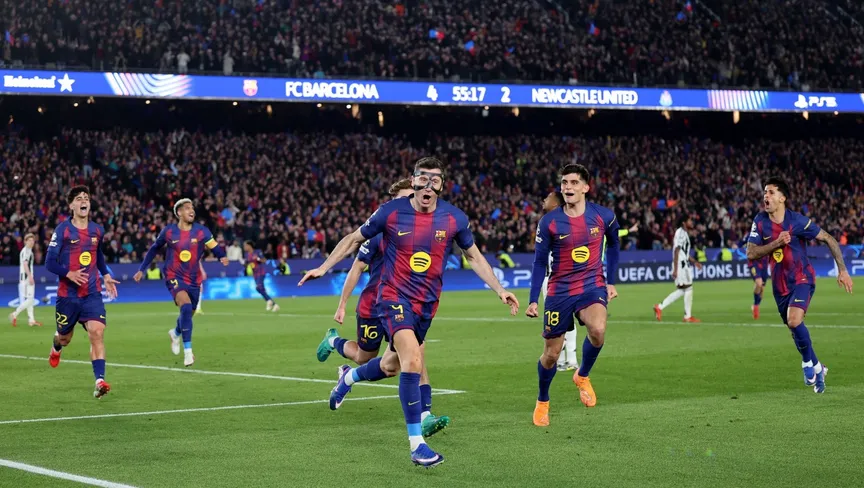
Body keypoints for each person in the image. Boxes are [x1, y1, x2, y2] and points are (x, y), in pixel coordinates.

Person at [299, 157, 519, 468]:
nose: (428, 185)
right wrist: (324, 267)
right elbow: (353, 240)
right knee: (413, 360)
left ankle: (349, 377)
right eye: (422, 178)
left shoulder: (454, 218)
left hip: (425, 305)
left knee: (390, 366)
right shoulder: (390, 212)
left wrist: (499, 289)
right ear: (413, 181)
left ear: (442, 185)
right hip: (392, 297)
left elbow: (474, 256)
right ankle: (417, 444)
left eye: (435, 180)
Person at [316, 179, 449, 437]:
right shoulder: (379, 232)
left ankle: (425, 415)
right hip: (374, 306)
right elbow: (357, 267)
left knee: (414, 356)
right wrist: (342, 304)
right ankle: (336, 347)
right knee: (366, 358)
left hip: (405, 305)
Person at [527, 164, 620, 425]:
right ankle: (543, 401)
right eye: (564, 182)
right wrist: (533, 299)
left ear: (586, 187)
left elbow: (614, 244)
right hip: (560, 291)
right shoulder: (549, 222)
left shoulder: (603, 216)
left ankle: (582, 374)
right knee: (551, 355)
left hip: (591, 284)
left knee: (598, 330)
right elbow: (539, 262)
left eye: (574, 182)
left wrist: (611, 282)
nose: (568, 187)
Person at [746, 177, 853, 394]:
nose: (766, 196)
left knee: (794, 320)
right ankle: (818, 367)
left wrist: (842, 269)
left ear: (782, 198)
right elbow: (751, 252)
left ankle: (806, 365)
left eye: (771, 192)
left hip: (802, 278)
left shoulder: (797, 221)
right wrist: (777, 243)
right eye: (765, 192)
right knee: (794, 330)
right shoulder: (760, 221)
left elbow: (829, 238)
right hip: (780, 286)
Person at [133, 198, 228, 367]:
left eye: (192, 208)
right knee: (185, 306)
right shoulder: (169, 232)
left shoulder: (201, 231)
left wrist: (222, 256)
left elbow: (214, 246)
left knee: (188, 313)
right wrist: (142, 269)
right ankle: (188, 352)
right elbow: (154, 248)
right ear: (179, 213)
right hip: (174, 276)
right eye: (187, 208)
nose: (192, 211)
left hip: (194, 279)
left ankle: (175, 333)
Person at [45, 186, 120, 398]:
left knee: (97, 332)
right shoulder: (62, 230)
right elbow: (49, 262)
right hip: (68, 296)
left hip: (91, 293)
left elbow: (99, 256)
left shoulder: (97, 230)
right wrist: (68, 273)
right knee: (64, 338)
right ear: (71, 205)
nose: (83, 201)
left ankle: (99, 381)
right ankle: (56, 347)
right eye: (78, 198)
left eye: (86, 198)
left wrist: (105, 275)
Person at [538, 191, 578, 372]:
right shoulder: (545, 223)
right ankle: (560, 360)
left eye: (547, 198)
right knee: (554, 321)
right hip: (548, 280)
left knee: (568, 319)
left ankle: (572, 359)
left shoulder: (568, 223)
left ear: (555, 204)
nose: (543, 200)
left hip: (564, 279)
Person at [653, 215, 704, 322]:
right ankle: (687, 316)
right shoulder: (680, 233)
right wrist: (675, 269)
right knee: (688, 288)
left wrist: (695, 262)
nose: (691, 222)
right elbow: (677, 251)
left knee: (683, 289)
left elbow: (684, 253)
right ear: (684, 223)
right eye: (689, 220)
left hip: (683, 264)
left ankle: (660, 307)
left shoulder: (684, 233)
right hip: (681, 265)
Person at [10, 233, 41, 327]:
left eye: (33, 240)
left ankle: (31, 320)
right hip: (26, 278)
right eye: (29, 240)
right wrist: (30, 277)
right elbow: (25, 264)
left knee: (29, 299)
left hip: (25, 278)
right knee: (30, 299)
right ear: (25, 241)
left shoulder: (28, 251)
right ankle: (15, 313)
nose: (31, 242)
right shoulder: (26, 251)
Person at [244, 241, 279, 312]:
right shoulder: (247, 255)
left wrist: (258, 258)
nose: (244, 247)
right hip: (255, 274)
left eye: (245, 246)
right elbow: (248, 263)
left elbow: (264, 261)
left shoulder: (257, 252)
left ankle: (270, 302)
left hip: (260, 272)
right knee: (259, 289)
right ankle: (273, 303)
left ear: (249, 246)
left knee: (259, 287)